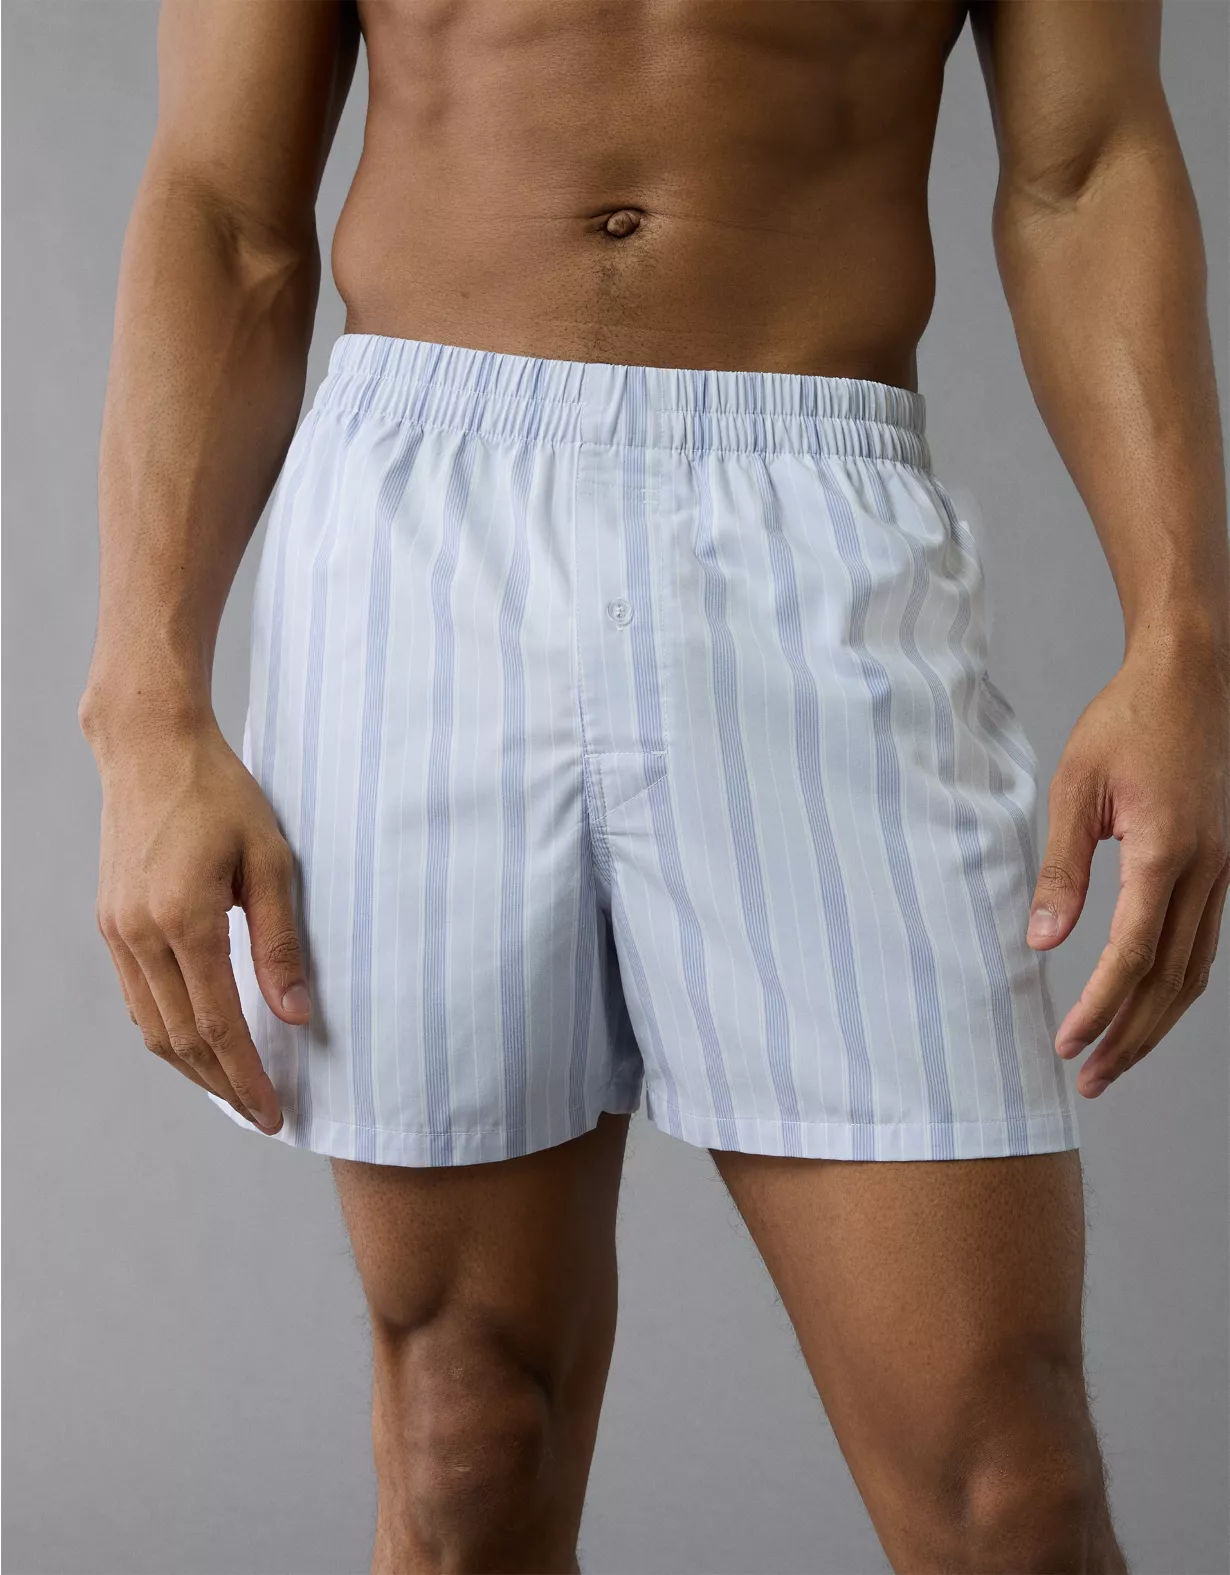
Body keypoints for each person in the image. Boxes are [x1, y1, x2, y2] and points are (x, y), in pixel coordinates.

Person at [79, 1, 1228, 1570]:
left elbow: (1084, 169)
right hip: (420, 536)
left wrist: (1182, 646)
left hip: (813, 528)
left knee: (1005, 1491)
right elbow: (223, 205)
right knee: (469, 1437)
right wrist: (145, 706)